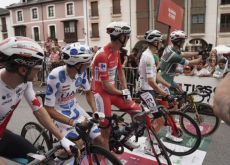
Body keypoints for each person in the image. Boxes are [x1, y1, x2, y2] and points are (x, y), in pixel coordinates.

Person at [0, 36, 75, 162]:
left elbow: (38, 109)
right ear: (23, 70)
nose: (38, 74)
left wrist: (62, 138)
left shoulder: (24, 83)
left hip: (1, 134)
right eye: (37, 70)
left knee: (42, 161)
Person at [44, 42, 104, 149]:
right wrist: (73, 123)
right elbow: (48, 109)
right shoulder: (55, 75)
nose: (88, 65)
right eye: (86, 63)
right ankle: (57, 158)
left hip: (75, 109)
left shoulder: (82, 73)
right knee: (79, 145)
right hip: (59, 115)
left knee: (99, 139)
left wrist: (95, 111)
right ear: (77, 64)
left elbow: (88, 92)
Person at [91, 21, 140, 150]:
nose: (128, 39)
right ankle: (106, 157)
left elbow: (120, 71)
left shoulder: (117, 50)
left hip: (112, 91)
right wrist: (121, 92)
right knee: (105, 131)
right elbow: (106, 86)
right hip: (101, 93)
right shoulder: (103, 55)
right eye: (127, 37)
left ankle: (124, 137)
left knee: (137, 112)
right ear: (121, 37)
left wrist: (125, 89)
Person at [138, 30, 183, 154]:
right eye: (160, 41)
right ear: (155, 42)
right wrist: (165, 94)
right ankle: (148, 145)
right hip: (146, 91)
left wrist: (170, 86)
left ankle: (150, 140)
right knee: (160, 119)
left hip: (150, 90)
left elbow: (157, 76)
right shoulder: (148, 57)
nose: (161, 43)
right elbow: (152, 81)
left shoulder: (151, 55)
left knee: (158, 118)